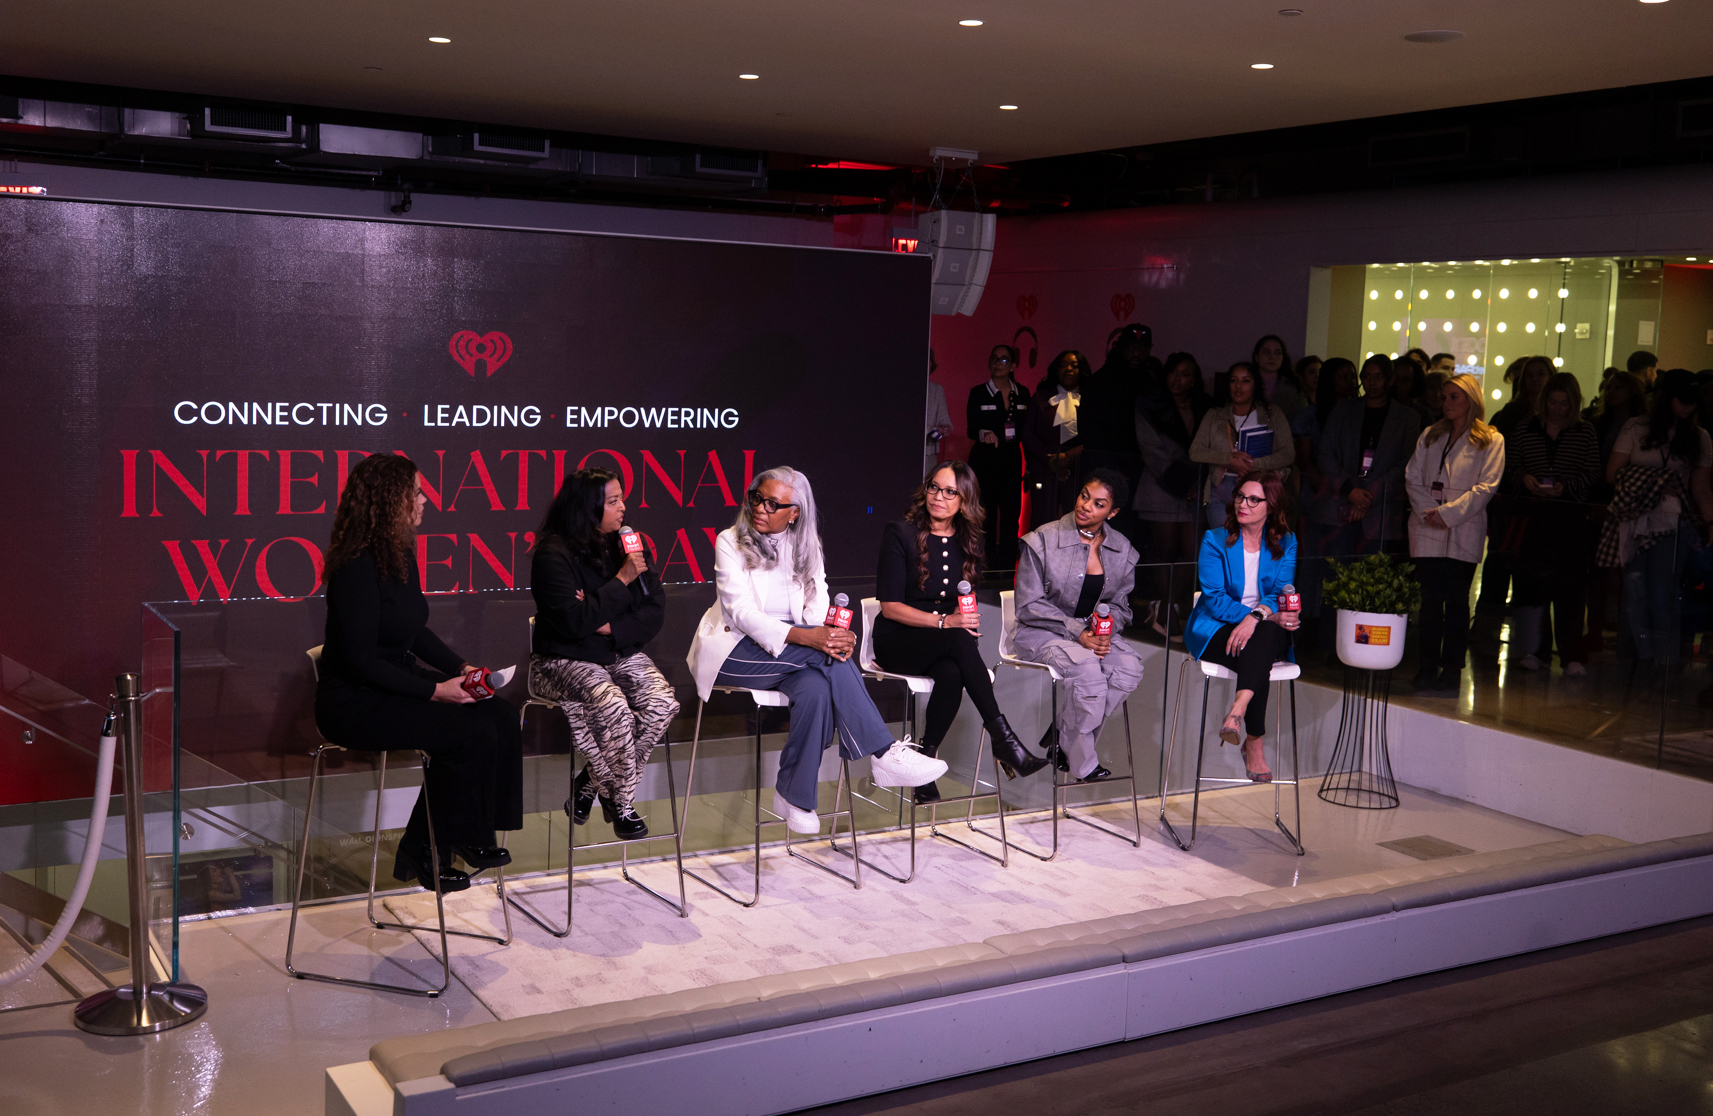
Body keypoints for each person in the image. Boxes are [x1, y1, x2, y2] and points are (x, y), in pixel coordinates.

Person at [686, 467, 947, 834]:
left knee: (817, 687)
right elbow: (742, 613)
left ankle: (794, 796)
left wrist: (832, 636)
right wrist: (813, 639)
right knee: (824, 655)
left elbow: (817, 605)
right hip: (733, 650)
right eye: (756, 498)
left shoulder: (806, 547)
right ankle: (884, 752)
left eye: (773, 503)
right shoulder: (730, 540)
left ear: (795, 512)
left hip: (790, 654)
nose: (760, 508)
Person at [314, 453, 523, 892]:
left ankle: (472, 834)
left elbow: (414, 631)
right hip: (354, 700)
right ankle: (431, 846)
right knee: (466, 733)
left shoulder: (397, 552)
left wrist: (461, 669)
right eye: (417, 493)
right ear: (392, 501)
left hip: (394, 686)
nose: (425, 500)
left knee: (500, 717)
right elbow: (360, 662)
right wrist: (436, 691)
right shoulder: (355, 566)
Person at [873, 463, 1049, 804]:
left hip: (942, 644)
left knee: (953, 671)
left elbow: (959, 605)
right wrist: (945, 623)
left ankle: (923, 766)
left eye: (950, 491)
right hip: (897, 640)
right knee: (956, 638)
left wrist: (961, 619)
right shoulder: (900, 533)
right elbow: (890, 607)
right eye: (934, 488)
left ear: (965, 501)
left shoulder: (970, 541)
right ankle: (1003, 738)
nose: (939, 497)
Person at [530, 468, 676, 839]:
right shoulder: (553, 554)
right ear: (587, 507)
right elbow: (574, 623)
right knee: (612, 706)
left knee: (661, 702)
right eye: (613, 502)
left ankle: (591, 783)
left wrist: (609, 623)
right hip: (564, 658)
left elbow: (654, 606)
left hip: (614, 648)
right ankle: (622, 803)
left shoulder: (625, 544)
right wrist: (621, 583)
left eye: (621, 499)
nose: (623, 508)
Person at [1011, 469, 1144, 782]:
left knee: (1128, 668)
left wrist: (1106, 628)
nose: (1086, 506)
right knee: (1086, 669)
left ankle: (1063, 736)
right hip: (1042, 632)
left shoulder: (1122, 549)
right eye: (1085, 495)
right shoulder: (1043, 539)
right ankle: (1081, 762)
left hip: (1091, 634)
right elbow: (1029, 605)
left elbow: (1122, 606)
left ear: (1112, 512)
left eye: (1099, 504)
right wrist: (1078, 633)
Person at [1184, 470, 1301, 782]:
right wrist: (1255, 617)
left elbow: (1280, 591)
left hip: (1261, 626)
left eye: (1253, 499)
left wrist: (1258, 617)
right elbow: (1214, 598)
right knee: (1262, 643)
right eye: (1239, 496)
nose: (1243, 504)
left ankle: (1237, 711)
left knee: (1264, 635)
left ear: (1271, 506)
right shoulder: (1215, 540)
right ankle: (1255, 741)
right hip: (1215, 626)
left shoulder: (1286, 543)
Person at [1600, 371, 1713, 669]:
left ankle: (1662, 663)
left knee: (1663, 593)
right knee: (1635, 593)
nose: (1688, 407)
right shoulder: (1636, 427)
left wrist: (1710, 523)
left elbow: (1700, 487)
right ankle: (1637, 659)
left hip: (1673, 523)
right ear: (1667, 398)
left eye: (1693, 402)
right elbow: (1611, 474)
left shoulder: (1700, 437)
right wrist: (1656, 481)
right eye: (1683, 400)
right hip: (1634, 519)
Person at [1404, 374, 1505, 693]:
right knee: (1431, 603)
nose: (1446, 402)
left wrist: (1446, 514)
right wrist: (1428, 512)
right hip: (1426, 527)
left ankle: (1452, 671)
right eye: (1444, 397)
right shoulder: (1430, 435)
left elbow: (1486, 486)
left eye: (1453, 397)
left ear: (1471, 400)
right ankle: (1427, 666)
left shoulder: (1491, 439)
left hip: (1463, 528)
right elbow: (1412, 478)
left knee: (1458, 603)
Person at [1504, 374, 1600, 676]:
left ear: (1573, 405)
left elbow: (1592, 472)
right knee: (1535, 586)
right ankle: (1538, 651)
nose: (1557, 409)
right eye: (1552, 402)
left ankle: (1571, 654)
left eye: (1564, 404)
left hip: (1569, 518)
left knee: (1570, 589)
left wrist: (1565, 486)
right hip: (1533, 517)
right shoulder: (1525, 429)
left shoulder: (1584, 432)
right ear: (1544, 402)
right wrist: (1525, 479)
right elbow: (1511, 466)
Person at [1470, 355, 1553, 660]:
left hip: (1541, 507)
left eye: (1541, 374)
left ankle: (1530, 643)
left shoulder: (1556, 417)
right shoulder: (1509, 414)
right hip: (1510, 501)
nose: (1534, 380)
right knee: (1499, 563)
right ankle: (1487, 633)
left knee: (1531, 572)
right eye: (1530, 375)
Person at [1134, 352, 1212, 641]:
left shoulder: (1206, 407)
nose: (1177, 379)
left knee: (1191, 552)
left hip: (1196, 487)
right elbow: (1151, 451)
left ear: (1194, 379)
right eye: (1173, 372)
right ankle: (1167, 611)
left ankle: (1166, 605)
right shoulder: (1150, 405)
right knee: (1164, 551)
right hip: (1161, 485)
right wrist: (1182, 482)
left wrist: (1195, 482)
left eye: (1185, 374)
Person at [1317, 355, 1423, 556]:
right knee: (1336, 574)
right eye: (1366, 377)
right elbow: (1325, 454)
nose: (1372, 383)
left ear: (1390, 380)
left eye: (1378, 377)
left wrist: (1368, 496)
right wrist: (1349, 489)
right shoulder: (1343, 410)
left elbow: (1406, 464)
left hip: (1382, 509)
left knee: (1373, 578)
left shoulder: (1408, 418)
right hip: (1341, 502)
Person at [1191, 361, 1295, 528]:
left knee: (1255, 549)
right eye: (1233, 381)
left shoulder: (1272, 413)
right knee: (1225, 547)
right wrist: (1229, 459)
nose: (1238, 386)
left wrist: (1254, 464)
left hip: (1260, 488)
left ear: (1255, 385)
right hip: (1222, 488)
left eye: (1245, 381)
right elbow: (1195, 451)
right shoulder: (1215, 415)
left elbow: (1288, 453)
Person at [966, 344, 1031, 570]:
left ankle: (1007, 568)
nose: (997, 363)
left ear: (1013, 365)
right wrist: (984, 432)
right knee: (986, 516)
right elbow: (971, 428)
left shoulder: (1022, 393)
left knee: (1012, 514)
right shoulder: (978, 392)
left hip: (1011, 460)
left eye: (1003, 360)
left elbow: (1027, 429)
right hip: (984, 461)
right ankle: (985, 567)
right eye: (994, 359)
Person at [1023, 350, 1089, 528]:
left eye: (1074, 366)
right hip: (1044, 470)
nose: (1068, 369)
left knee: (1076, 523)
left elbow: (1094, 437)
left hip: (1077, 473)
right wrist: (1051, 459)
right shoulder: (1041, 397)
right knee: (1041, 522)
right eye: (1063, 365)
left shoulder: (1091, 400)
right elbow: (1028, 433)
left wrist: (1069, 458)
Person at [1253, 334, 1305, 420]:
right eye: (1266, 352)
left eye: (1277, 353)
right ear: (1256, 357)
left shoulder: (1294, 388)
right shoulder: (1243, 384)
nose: (1272, 357)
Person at [924, 348, 953, 479]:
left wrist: (944, 429)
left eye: (929, 360)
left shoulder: (937, 390)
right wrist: (930, 429)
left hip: (929, 453)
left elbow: (946, 421)